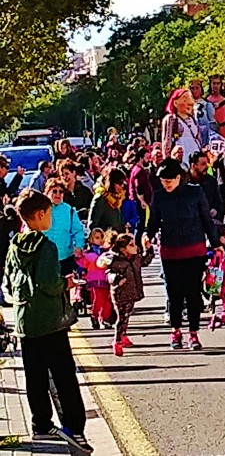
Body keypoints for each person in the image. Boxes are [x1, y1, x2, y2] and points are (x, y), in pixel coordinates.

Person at [4, 190, 94, 453]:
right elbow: (48, 283)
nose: (52, 218)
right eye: (50, 213)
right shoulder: (46, 246)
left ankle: (40, 422)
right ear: (41, 214)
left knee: (35, 375)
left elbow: (9, 281)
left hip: (25, 319)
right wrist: (64, 283)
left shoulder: (15, 244)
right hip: (49, 319)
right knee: (64, 373)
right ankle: (74, 426)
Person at [147, 158, 218, 350]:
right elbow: (153, 222)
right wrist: (147, 235)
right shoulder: (159, 196)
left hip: (194, 249)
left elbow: (206, 220)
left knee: (193, 293)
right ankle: (175, 331)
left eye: (169, 180)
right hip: (170, 252)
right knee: (174, 293)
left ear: (179, 177)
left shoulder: (195, 193)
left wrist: (216, 244)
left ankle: (193, 333)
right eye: (163, 181)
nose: (166, 184)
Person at [101, 233, 154, 356]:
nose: (135, 247)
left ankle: (123, 335)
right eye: (131, 245)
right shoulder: (114, 259)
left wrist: (148, 248)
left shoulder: (135, 258)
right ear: (123, 248)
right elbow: (108, 273)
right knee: (121, 317)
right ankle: (117, 340)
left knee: (127, 315)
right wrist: (116, 279)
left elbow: (146, 261)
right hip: (120, 293)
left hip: (132, 292)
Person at [42, 179, 85, 278]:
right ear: (47, 192)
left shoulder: (69, 210)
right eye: (54, 191)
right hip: (45, 258)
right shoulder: (41, 210)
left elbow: (78, 231)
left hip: (65, 258)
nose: (58, 194)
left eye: (61, 192)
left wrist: (79, 246)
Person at [77, 228, 113, 329]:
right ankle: (95, 315)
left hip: (105, 279)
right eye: (97, 237)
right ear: (91, 239)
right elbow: (82, 264)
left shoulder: (106, 252)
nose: (100, 240)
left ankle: (104, 318)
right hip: (93, 279)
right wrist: (81, 271)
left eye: (102, 237)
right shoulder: (88, 253)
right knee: (98, 299)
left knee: (107, 300)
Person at [162, 88, 204, 168]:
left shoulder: (193, 119)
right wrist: (167, 161)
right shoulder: (172, 119)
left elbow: (198, 138)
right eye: (185, 100)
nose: (190, 103)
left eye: (191, 99)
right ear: (175, 103)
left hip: (195, 155)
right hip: (181, 156)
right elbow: (167, 141)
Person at [188, 150, 224, 221]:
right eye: (203, 164)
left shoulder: (211, 181)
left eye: (207, 163)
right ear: (193, 165)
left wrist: (216, 211)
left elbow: (219, 202)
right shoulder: (183, 181)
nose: (206, 167)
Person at [88, 167, 127, 232]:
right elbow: (93, 224)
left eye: (123, 183)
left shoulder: (117, 200)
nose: (122, 186)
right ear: (111, 182)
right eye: (120, 183)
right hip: (104, 239)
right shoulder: (100, 198)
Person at [189, 78, 215, 147]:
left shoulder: (207, 104)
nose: (194, 91)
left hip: (204, 135)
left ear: (201, 90)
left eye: (197, 88)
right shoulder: (187, 105)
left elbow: (212, 123)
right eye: (192, 88)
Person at [207, 75, 225, 140]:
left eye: (218, 83)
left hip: (223, 132)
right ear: (210, 85)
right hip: (210, 133)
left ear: (221, 85)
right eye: (214, 83)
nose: (215, 86)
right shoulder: (206, 101)